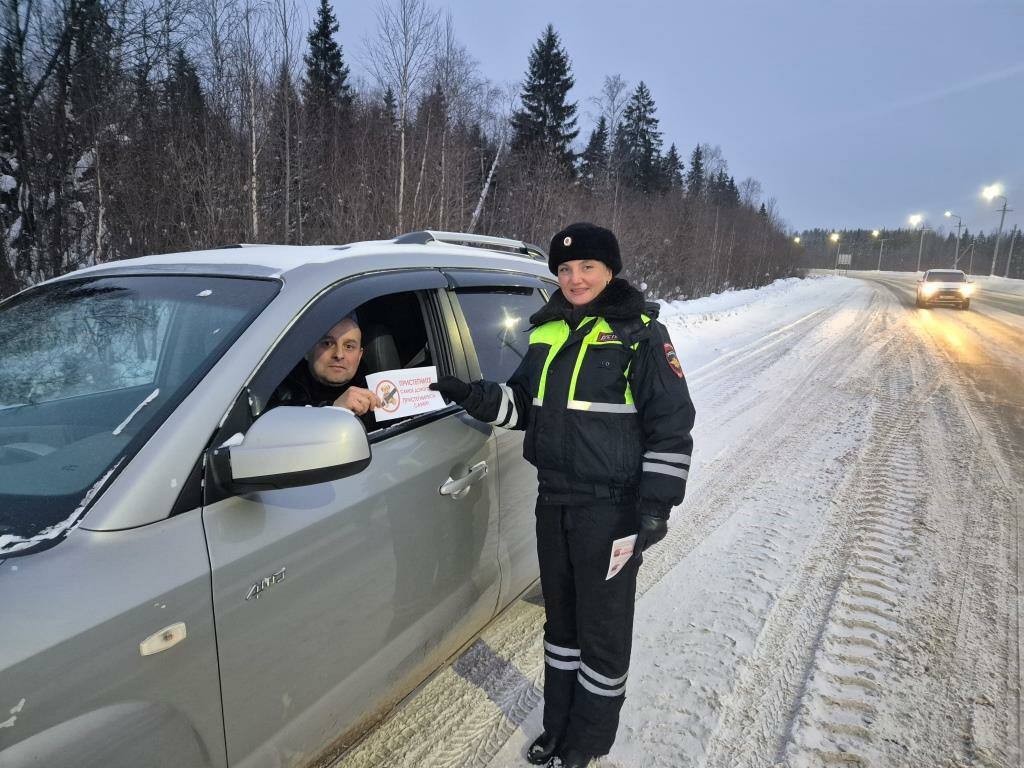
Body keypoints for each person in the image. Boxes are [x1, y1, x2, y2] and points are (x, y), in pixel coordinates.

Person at [430, 222, 696, 768]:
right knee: (562, 623)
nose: (574, 279)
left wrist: (655, 506)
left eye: (587, 268)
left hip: (612, 505)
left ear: (610, 271)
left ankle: (587, 740)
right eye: (566, 269)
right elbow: (522, 407)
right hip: (554, 499)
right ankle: (558, 726)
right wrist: (474, 396)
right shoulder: (547, 331)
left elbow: (671, 423)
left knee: (602, 629)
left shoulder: (641, 334)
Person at [270, 314, 381, 418]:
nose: (339, 355)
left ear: (359, 356)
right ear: (307, 351)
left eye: (349, 346)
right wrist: (333, 410)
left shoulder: (378, 395)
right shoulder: (277, 391)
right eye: (327, 343)